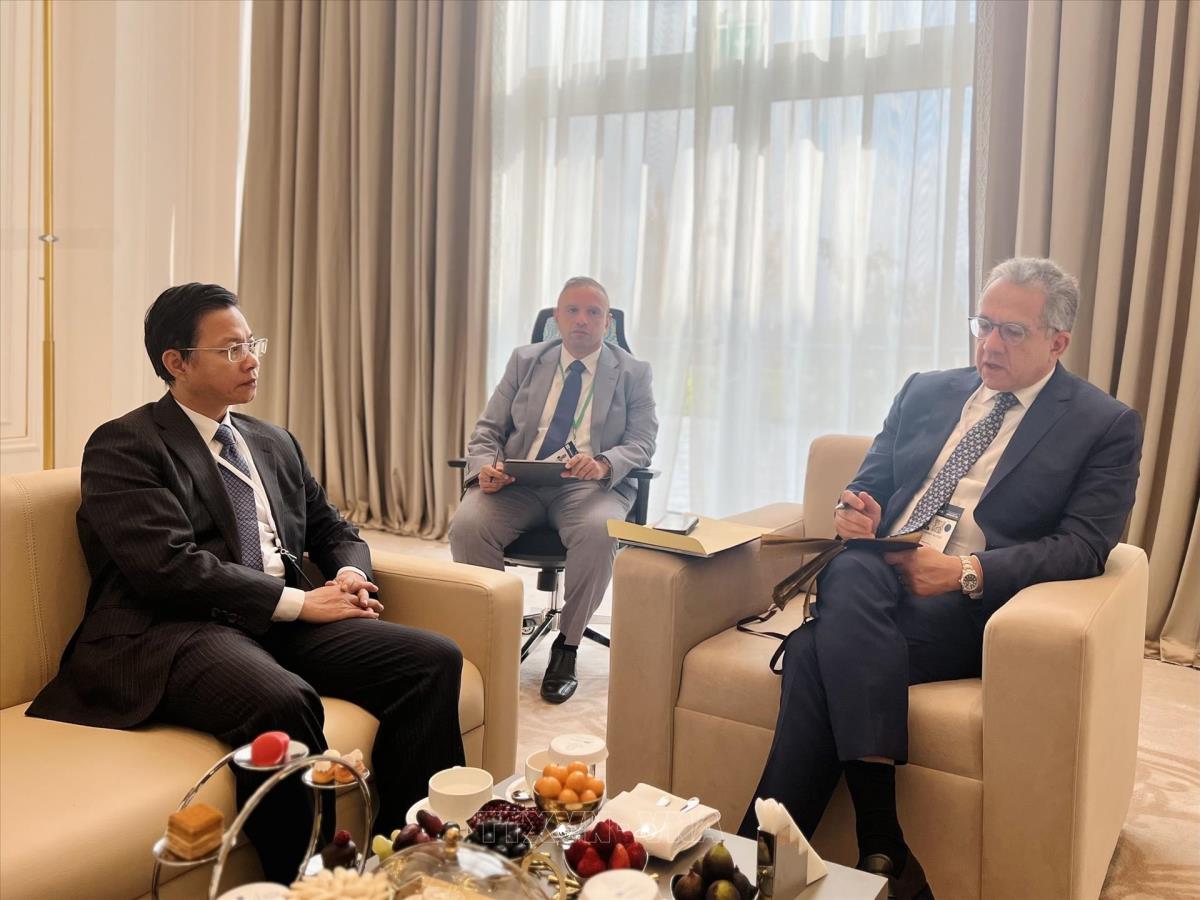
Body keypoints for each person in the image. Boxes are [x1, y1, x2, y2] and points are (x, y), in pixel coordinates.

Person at [27, 283, 466, 884]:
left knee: (432, 660)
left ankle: (407, 857)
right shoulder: (125, 445)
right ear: (176, 362)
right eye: (231, 349)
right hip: (175, 630)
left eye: (251, 344)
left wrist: (349, 573)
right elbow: (167, 567)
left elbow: (332, 527)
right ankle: (312, 884)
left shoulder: (270, 440)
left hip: (272, 621)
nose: (251, 360)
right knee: (281, 700)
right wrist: (299, 603)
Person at [738, 258, 1142, 900]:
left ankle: (758, 861)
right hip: (878, 580)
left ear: (1057, 342)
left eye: (1012, 331)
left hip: (972, 607)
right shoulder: (924, 390)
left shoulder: (1104, 424)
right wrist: (858, 510)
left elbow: (1086, 546)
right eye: (984, 325)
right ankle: (877, 851)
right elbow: (869, 481)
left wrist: (966, 571)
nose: (990, 344)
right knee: (855, 571)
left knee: (816, 647)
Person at [449, 276, 657, 703]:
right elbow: (488, 431)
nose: (582, 320)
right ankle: (496, 635)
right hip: (519, 483)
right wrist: (486, 467)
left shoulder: (633, 372)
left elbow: (642, 442)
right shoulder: (525, 360)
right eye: (572, 311)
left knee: (599, 531)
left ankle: (567, 646)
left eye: (593, 313)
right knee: (467, 525)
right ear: (557, 319)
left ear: (607, 324)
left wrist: (604, 462)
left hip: (587, 486)